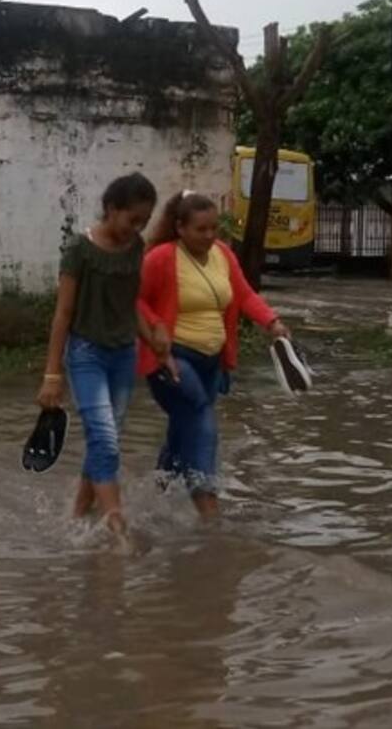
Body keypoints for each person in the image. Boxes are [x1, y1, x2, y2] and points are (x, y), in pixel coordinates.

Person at [137, 191, 289, 518]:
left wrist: (271, 321)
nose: (209, 236)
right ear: (180, 227)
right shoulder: (161, 258)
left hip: (211, 362)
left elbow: (244, 294)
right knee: (201, 419)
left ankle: (154, 500)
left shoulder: (222, 254)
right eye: (200, 230)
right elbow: (134, 300)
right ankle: (209, 509)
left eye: (214, 229)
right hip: (173, 359)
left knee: (183, 429)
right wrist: (155, 328)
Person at [37, 172, 167, 536]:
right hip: (86, 354)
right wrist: (52, 374)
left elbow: (130, 306)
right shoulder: (79, 250)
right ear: (111, 209)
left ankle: (78, 513)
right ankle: (115, 522)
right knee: (105, 439)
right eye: (132, 219)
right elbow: (62, 314)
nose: (136, 227)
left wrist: (153, 340)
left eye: (143, 221)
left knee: (103, 438)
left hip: (123, 354)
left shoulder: (136, 248)